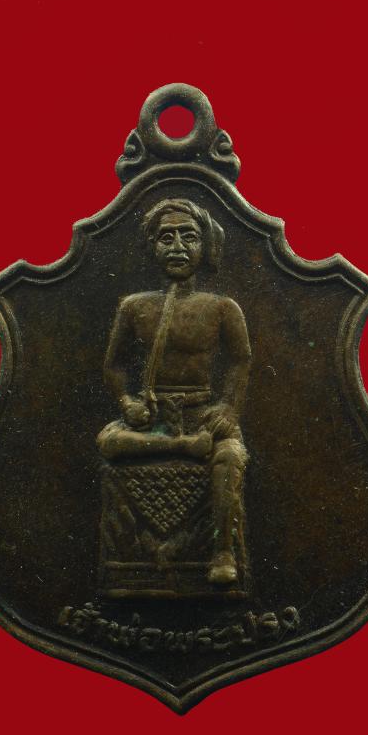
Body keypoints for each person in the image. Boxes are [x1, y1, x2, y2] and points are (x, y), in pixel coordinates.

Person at [97, 198, 251, 585]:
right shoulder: (134, 307)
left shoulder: (222, 308)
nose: (178, 246)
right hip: (152, 418)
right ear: (152, 247)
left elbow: (241, 360)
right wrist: (127, 402)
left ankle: (223, 552)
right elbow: (114, 364)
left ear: (206, 245)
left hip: (201, 415)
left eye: (189, 237)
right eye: (166, 238)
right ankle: (181, 446)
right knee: (109, 442)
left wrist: (229, 409)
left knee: (230, 455)